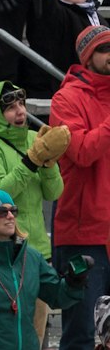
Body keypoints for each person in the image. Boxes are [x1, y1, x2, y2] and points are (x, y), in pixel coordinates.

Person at [0, 189, 87, 350]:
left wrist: (74, 281)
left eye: (13, 210)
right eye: (2, 212)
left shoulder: (31, 257)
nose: (10, 216)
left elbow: (58, 297)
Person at [49, 24, 110, 350]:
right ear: (88, 57)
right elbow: (83, 152)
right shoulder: (66, 99)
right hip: (84, 236)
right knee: (81, 335)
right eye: (104, 49)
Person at [0, 81, 67, 261]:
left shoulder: (34, 137)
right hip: (3, 249)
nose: (20, 111)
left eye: (22, 104)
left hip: (39, 251)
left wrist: (48, 165)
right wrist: (31, 161)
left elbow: (54, 193)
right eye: (11, 108)